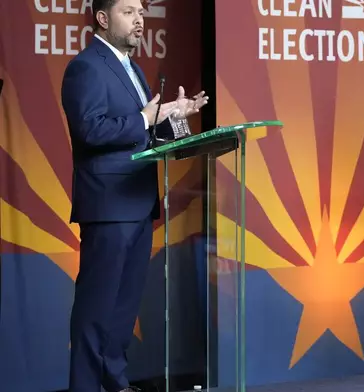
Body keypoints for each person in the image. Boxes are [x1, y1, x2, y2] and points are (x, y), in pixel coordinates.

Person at [60, 0, 208, 391]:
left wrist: (176, 116)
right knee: (97, 307)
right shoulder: (86, 67)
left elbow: (143, 136)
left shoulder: (135, 71)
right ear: (103, 19)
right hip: (108, 205)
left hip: (140, 203)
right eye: (129, 12)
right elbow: (91, 131)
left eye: (142, 12)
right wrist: (146, 117)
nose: (140, 19)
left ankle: (114, 382)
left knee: (123, 309)